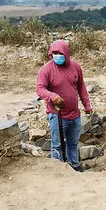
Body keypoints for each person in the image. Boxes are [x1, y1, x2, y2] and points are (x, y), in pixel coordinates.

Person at [36, 39, 92, 173]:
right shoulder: (46, 70)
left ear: (66, 53)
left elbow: (81, 87)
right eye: (54, 53)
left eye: (59, 53)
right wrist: (52, 97)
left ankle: (74, 165)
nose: (56, 55)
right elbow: (40, 89)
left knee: (72, 143)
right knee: (57, 144)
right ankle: (58, 170)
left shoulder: (75, 67)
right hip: (57, 115)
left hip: (74, 114)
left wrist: (87, 105)